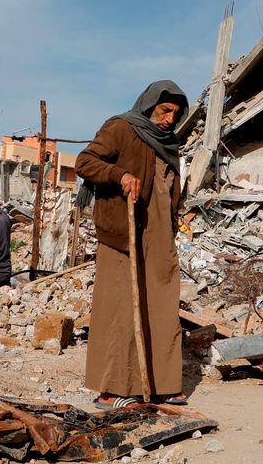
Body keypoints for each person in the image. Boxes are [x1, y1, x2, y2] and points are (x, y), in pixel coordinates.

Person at [75, 79, 188, 410]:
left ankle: (162, 385)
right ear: (150, 104)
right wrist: (120, 175)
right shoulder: (121, 127)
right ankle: (112, 387)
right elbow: (85, 162)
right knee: (120, 305)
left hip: (160, 233)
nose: (169, 119)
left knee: (162, 303)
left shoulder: (168, 142)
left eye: (175, 114)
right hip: (124, 229)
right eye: (165, 110)